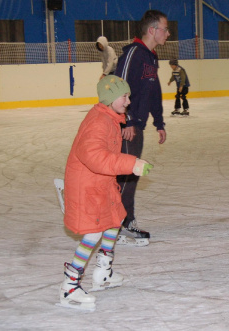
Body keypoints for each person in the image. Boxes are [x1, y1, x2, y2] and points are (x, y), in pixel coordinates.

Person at [58, 75, 154, 311]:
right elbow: (94, 157)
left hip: (100, 183)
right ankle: (69, 286)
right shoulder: (99, 122)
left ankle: (103, 273)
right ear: (110, 98)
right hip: (87, 186)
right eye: (124, 96)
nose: (128, 101)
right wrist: (130, 164)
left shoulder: (109, 117)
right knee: (93, 233)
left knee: (116, 218)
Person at [114, 9, 168, 246]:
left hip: (138, 125)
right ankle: (121, 224)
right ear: (151, 30)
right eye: (164, 29)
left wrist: (158, 121)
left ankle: (120, 222)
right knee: (125, 176)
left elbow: (154, 91)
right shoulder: (133, 54)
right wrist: (124, 120)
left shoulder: (151, 57)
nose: (168, 33)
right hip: (127, 126)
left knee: (130, 175)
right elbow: (118, 86)